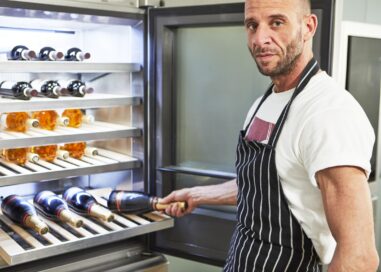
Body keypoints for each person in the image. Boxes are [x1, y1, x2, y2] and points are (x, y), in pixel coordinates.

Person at [160, 0, 379, 271]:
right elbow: (264, 183)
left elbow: (359, 257)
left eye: (277, 22)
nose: (260, 38)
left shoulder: (328, 113)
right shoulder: (267, 101)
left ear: (308, 26)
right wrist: (198, 193)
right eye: (252, 25)